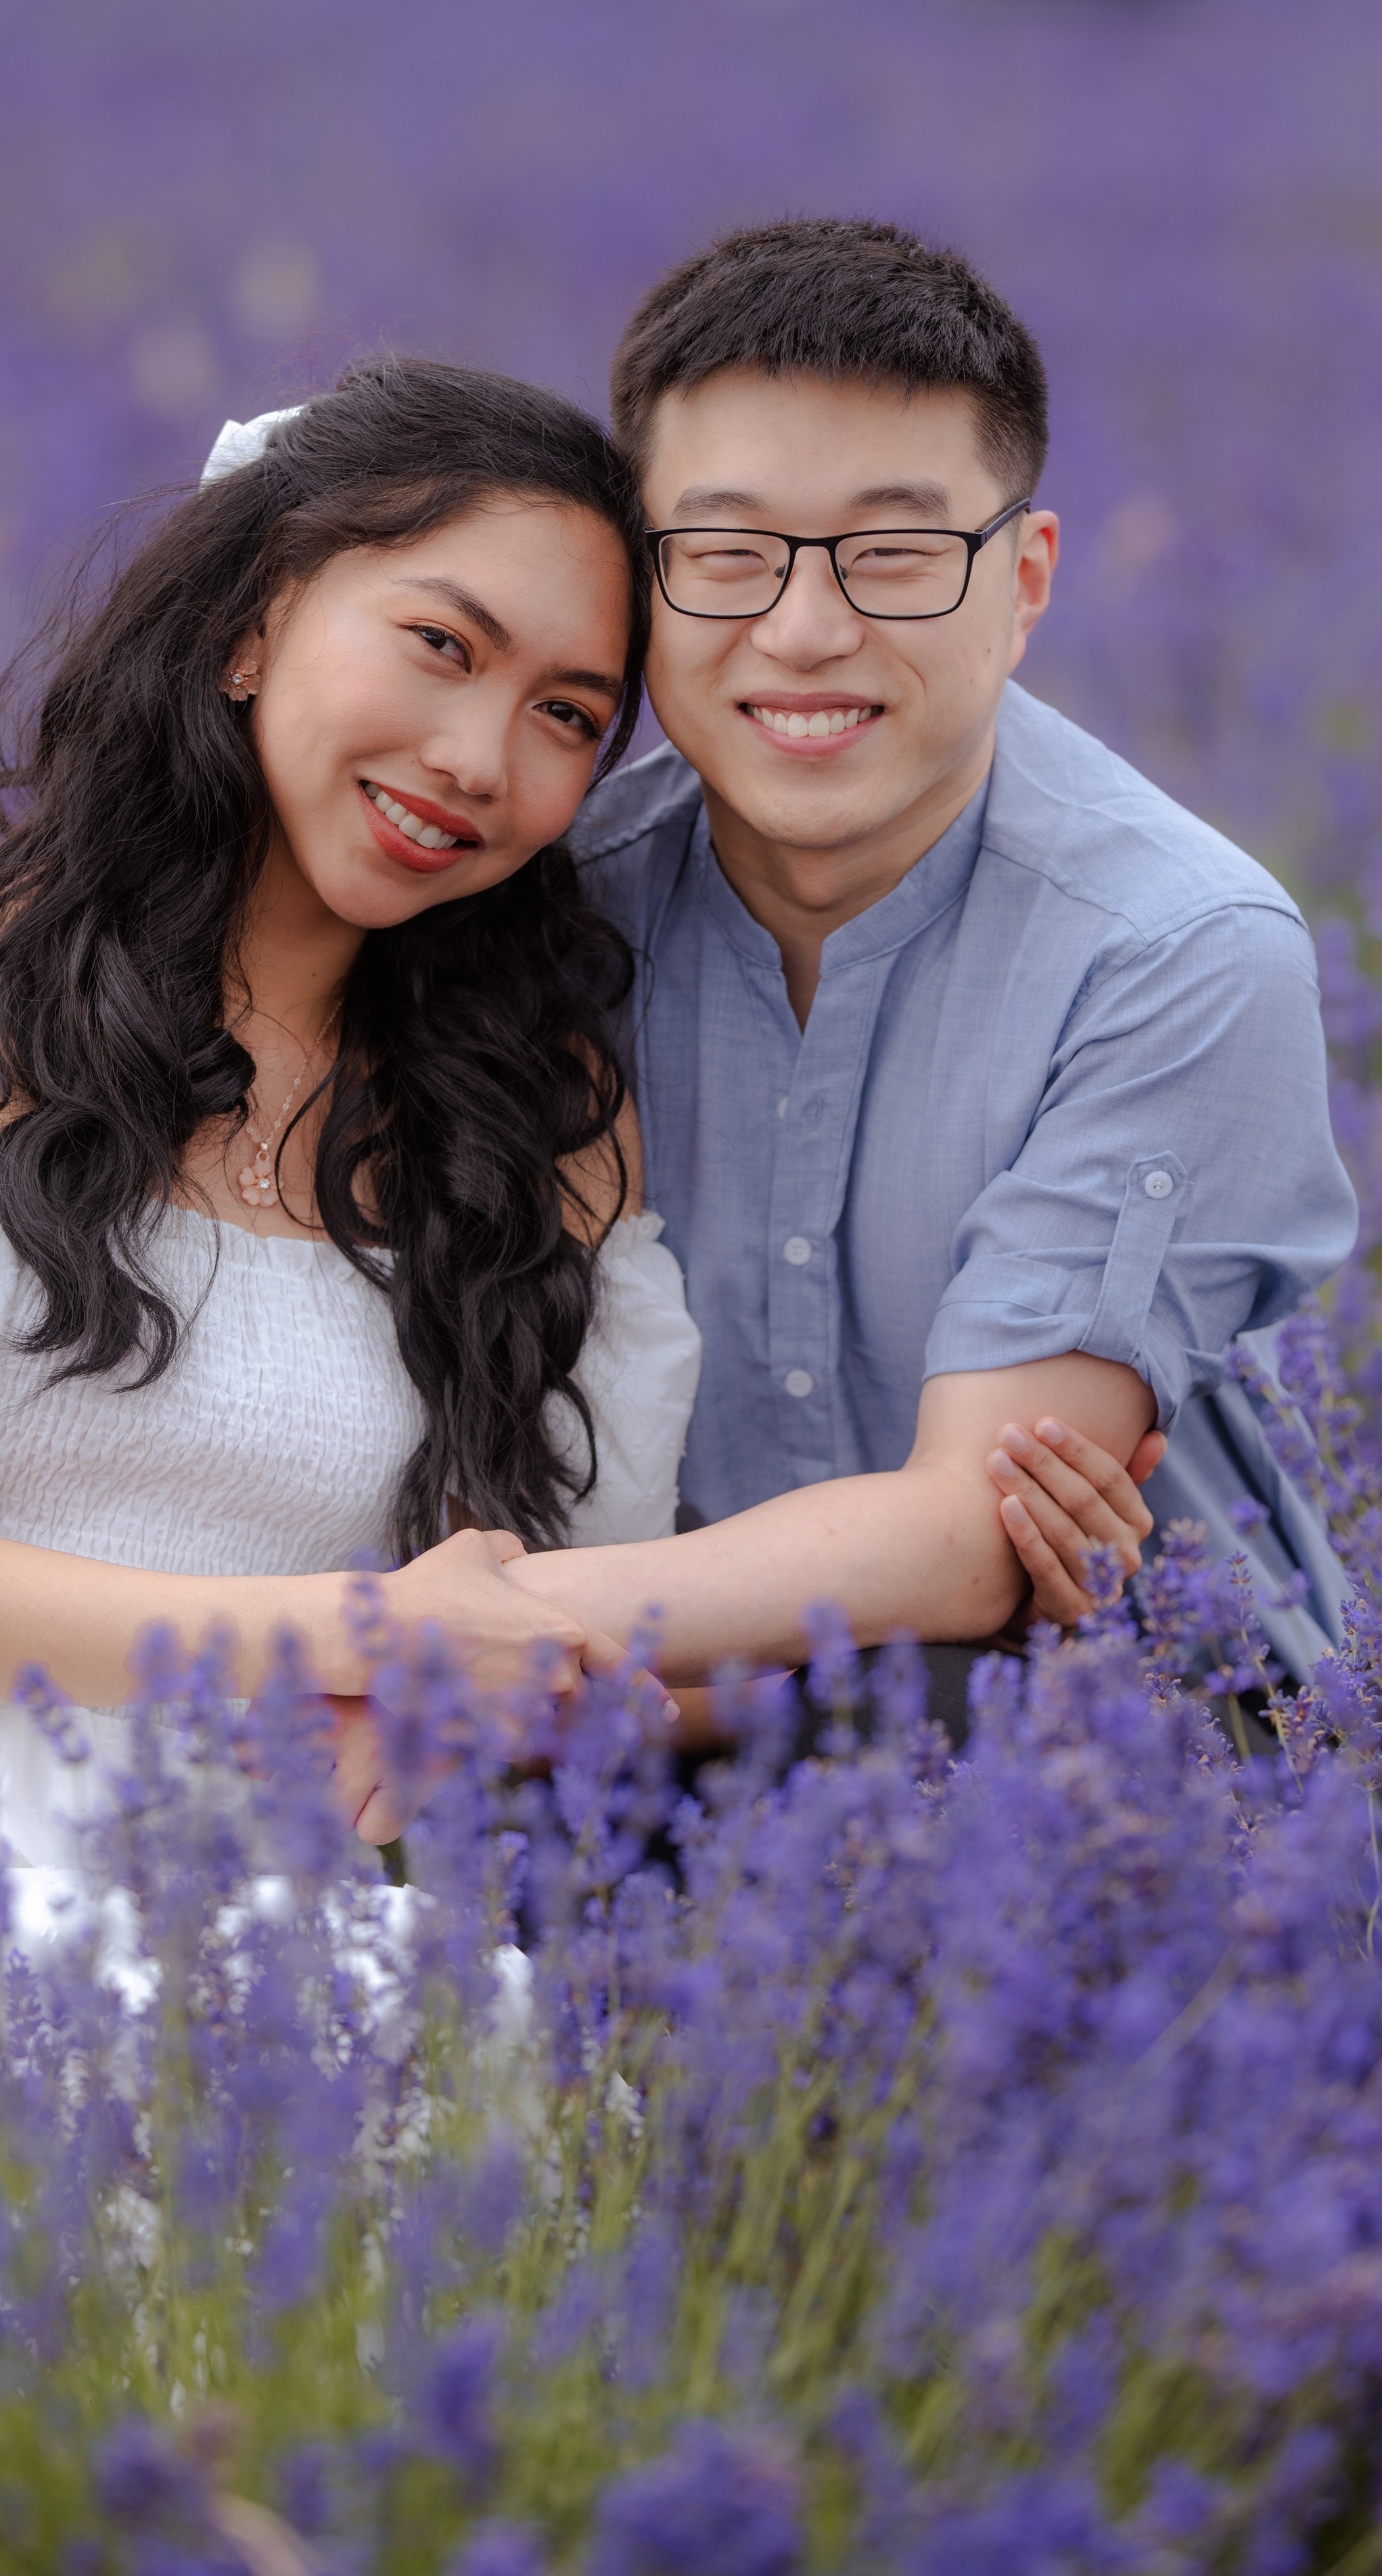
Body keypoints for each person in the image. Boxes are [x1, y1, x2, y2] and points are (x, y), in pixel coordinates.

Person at [0, 338, 1146, 1875]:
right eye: (441, 644)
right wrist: (384, 1633)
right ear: (254, 619)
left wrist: (976, 1589)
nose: (475, 761)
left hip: (279, 1901)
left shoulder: (538, 1106)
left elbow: (567, 1626)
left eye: (568, 715)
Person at [492, 216, 1355, 1714]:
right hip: (623, 1728)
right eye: (726, 553)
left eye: (892, 554)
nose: (803, 629)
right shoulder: (543, 911)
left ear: (1023, 580)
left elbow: (970, 1548)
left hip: (1127, 1762)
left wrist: (416, 1647)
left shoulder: (1173, 951)